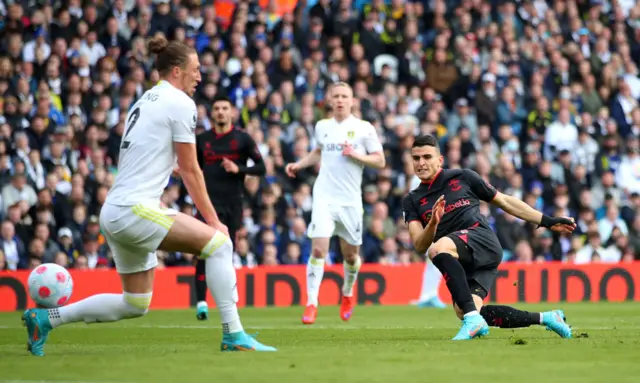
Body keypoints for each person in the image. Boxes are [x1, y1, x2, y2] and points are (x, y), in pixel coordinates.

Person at [21, 36, 276, 355]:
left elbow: (153, 155)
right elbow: (192, 169)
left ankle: (45, 319)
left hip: (115, 211)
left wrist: (170, 166)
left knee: (135, 302)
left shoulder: (145, 100)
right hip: (134, 210)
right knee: (220, 243)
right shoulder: (181, 103)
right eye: (195, 70)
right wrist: (213, 220)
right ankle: (233, 334)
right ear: (177, 70)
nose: (200, 77)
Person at [401, 134, 574, 340]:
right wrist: (433, 224)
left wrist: (546, 220)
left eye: (427, 157)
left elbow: (505, 202)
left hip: (481, 240)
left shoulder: (463, 177)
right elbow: (419, 244)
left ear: (440, 160)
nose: (421, 163)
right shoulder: (411, 200)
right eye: (416, 158)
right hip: (461, 258)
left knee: (437, 249)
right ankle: (547, 318)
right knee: (466, 310)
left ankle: (473, 321)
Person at [285, 82, 385, 324]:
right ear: (329, 101)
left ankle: (348, 293)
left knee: (350, 257)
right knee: (318, 248)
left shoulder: (363, 128)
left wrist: (356, 155)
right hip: (324, 197)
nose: (340, 100)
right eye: (336, 96)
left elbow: (380, 160)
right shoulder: (322, 127)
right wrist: (300, 164)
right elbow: (319, 151)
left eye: (344, 96)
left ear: (352, 101)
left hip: (350, 201)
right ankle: (311, 303)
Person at [193, 95, 265, 320]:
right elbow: (193, 169)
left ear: (232, 112)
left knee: (227, 252)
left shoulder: (242, 139)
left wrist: (239, 169)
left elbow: (261, 167)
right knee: (203, 251)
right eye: (217, 108)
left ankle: (227, 300)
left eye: (225, 108)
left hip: (233, 203)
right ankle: (202, 302)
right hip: (208, 204)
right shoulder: (202, 140)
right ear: (212, 113)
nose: (221, 112)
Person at [409, 175, 446, 309]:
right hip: (426, 222)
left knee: (434, 258)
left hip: (437, 221)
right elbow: (412, 202)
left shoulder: (440, 176)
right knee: (434, 256)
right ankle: (428, 295)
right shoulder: (417, 180)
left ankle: (429, 294)